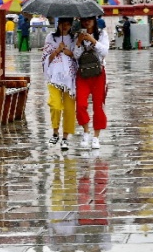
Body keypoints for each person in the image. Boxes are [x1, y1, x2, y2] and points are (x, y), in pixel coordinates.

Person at [73, 16, 109, 149]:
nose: (86, 22)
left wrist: (93, 41)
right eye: (83, 20)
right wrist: (79, 42)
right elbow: (76, 56)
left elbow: (105, 52)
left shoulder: (102, 34)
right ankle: (86, 131)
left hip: (98, 74)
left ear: (94, 21)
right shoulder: (77, 35)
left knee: (98, 105)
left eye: (89, 20)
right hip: (82, 74)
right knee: (81, 104)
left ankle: (96, 137)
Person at [43, 18, 78, 151]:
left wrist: (70, 53)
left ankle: (65, 138)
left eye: (68, 24)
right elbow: (45, 58)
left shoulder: (74, 38)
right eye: (63, 24)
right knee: (55, 105)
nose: (65, 26)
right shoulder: (50, 37)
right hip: (54, 77)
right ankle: (55, 132)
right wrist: (57, 50)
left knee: (69, 109)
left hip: (70, 79)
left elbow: (78, 56)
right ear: (58, 24)